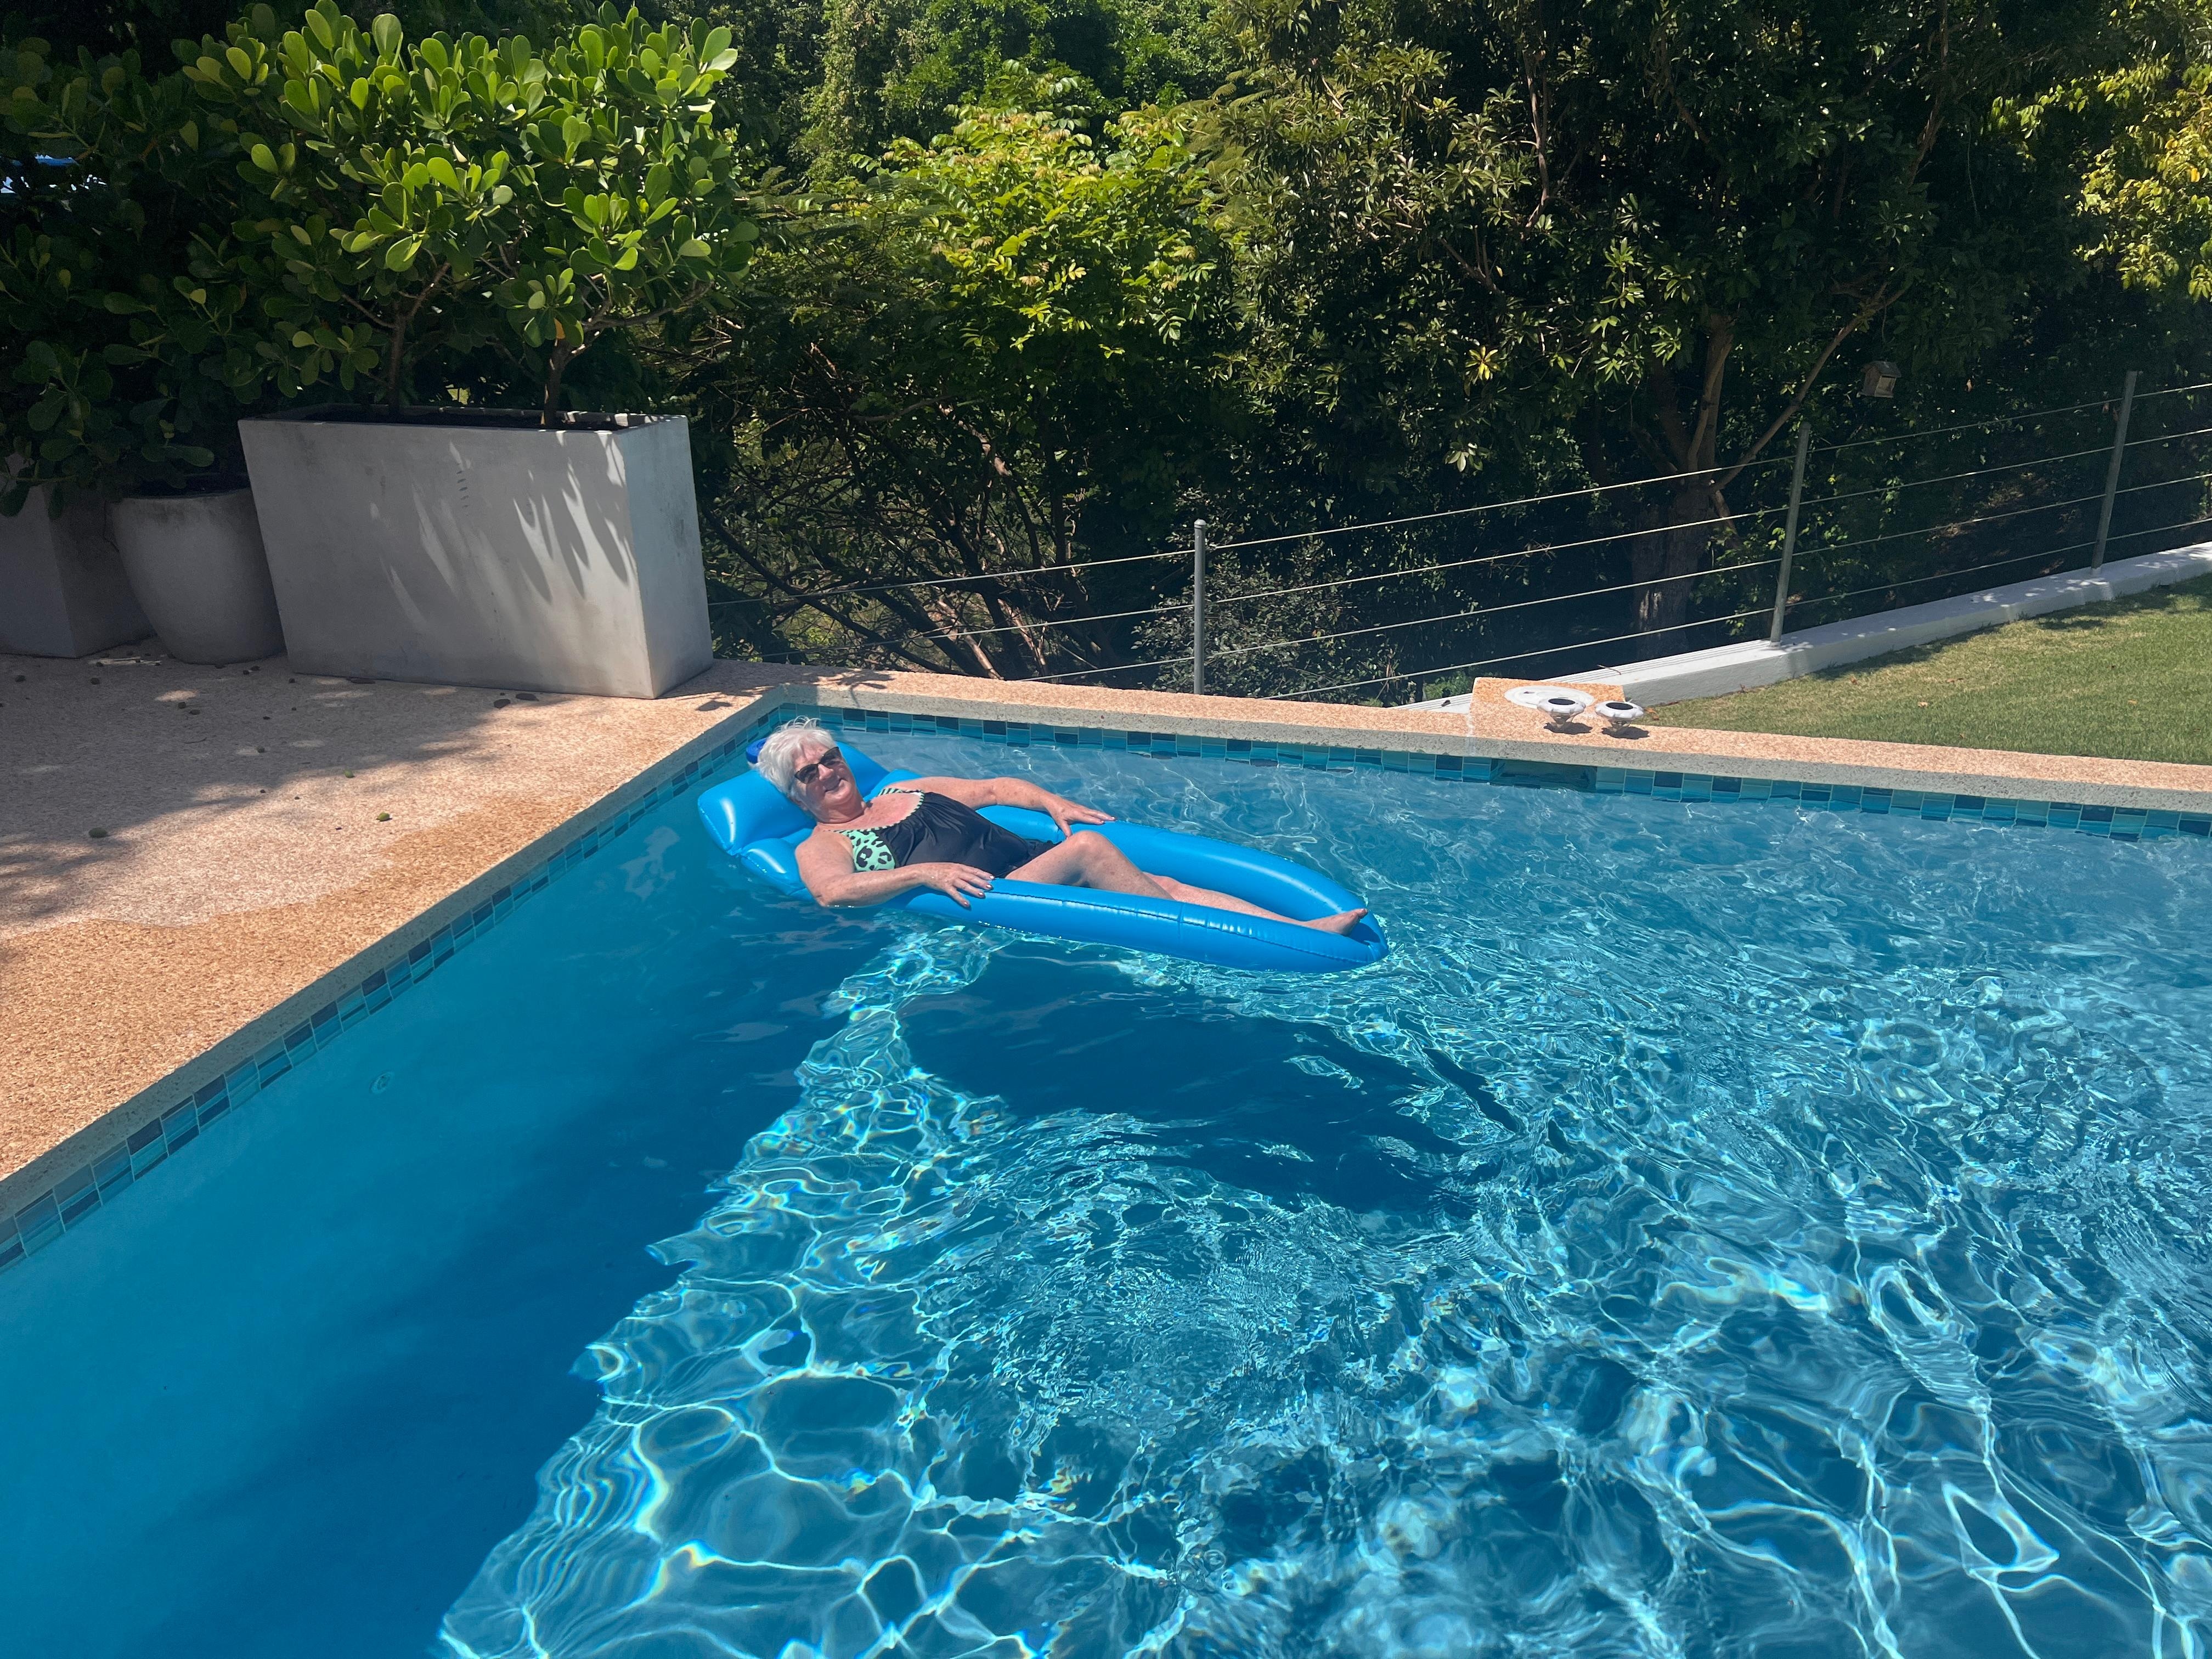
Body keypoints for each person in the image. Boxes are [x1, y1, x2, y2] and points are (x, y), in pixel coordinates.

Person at [756, 719, 1369, 935]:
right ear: (799, 796)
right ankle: (1244, 937)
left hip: (1030, 856)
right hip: (1002, 892)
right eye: (809, 774)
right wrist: (927, 872)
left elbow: (996, 789)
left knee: (1161, 879)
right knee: (1093, 850)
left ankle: (1300, 928)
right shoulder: (826, 841)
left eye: (830, 758)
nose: (827, 772)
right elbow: (831, 892)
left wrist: (1051, 800)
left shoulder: (906, 788)